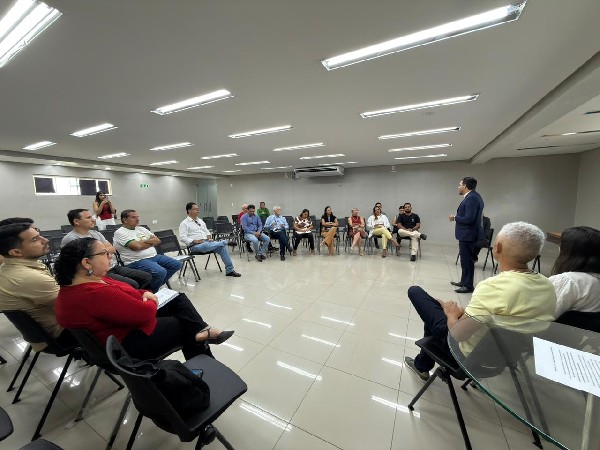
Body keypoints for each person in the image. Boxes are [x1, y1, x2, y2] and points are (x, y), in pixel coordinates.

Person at [404, 222, 556, 382]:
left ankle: (422, 366)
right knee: (433, 317)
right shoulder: (547, 285)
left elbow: (458, 335)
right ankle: (422, 365)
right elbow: (507, 317)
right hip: (505, 359)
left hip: (465, 357)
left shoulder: (493, 287)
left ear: (498, 247)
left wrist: (451, 314)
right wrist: (463, 314)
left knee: (415, 292)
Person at [54, 238, 234, 360]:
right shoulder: (96, 293)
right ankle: (204, 368)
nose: (110, 256)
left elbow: (128, 290)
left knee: (177, 299)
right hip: (126, 345)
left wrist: (143, 294)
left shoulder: (79, 284)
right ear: (86, 262)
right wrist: (149, 299)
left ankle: (203, 332)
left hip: (118, 329)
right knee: (183, 324)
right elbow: (144, 315)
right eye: (104, 253)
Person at [0, 222, 76, 351]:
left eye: (39, 235)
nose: (45, 240)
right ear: (16, 252)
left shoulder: (7, 267)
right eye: (35, 239)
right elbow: (74, 307)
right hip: (58, 336)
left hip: (41, 334)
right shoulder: (28, 277)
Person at [61, 209, 152, 289]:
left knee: (146, 277)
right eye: (88, 218)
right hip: (96, 272)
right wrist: (102, 250)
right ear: (77, 221)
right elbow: (86, 259)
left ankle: (139, 296)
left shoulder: (95, 233)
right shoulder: (71, 239)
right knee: (133, 284)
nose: (93, 219)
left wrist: (98, 252)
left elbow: (112, 249)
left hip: (111, 266)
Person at [113, 210, 182, 292]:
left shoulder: (141, 229)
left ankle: (151, 288)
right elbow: (136, 246)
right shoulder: (120, 232)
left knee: (176, 264)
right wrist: (151, 242)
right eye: (134, 217)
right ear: (125, 220)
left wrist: (142, 243)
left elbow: (157, 240)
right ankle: (152, 292)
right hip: (136, 261)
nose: (137, 219)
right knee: (160, 272)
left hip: (154, 256)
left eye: (137, 217)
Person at [178, 202, 241, 277]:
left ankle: (229, 270)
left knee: (222, 248)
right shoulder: (184, 223)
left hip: (207, 242)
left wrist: (209, 237)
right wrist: (194, 241)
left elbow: (206, 231)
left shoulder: (200, 221)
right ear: (189, 211)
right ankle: (225, 242)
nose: (197, 211)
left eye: (198, 209)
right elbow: (182, 237)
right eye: (195, 209)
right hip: (195, 246)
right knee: (206, 245)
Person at [549, 226, 600, 318]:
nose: (559, 247)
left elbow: (541, 316)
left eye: (562, 244)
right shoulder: (595, 280)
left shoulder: (569, 280)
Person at [449, 177, 484, 293]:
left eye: (460, 185)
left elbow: (469, 218)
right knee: (465, 260)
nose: (458, 187)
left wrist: (455, 217)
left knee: (468, 261)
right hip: (467, 234)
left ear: (465, 186)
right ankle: (464, 282)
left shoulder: (472, 198)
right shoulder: (473, 196)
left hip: (468, 234)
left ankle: (468, 286)